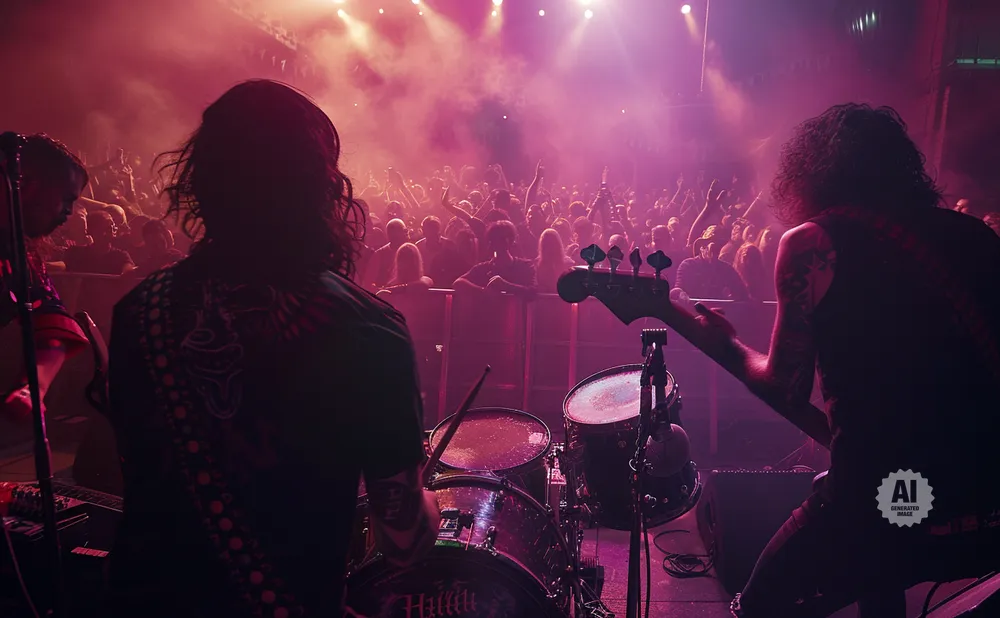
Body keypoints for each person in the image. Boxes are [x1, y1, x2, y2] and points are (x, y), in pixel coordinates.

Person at [104, 80, 440, 617]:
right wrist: (428, 505)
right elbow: (402, 542)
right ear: (321, 189)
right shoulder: (367, 328)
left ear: (202, 181)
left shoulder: (136, 311)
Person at [690, 104, 1000, 618]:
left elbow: (785, 388)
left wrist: (724, 343)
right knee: (881, 578)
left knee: (758, 605)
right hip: (982, 501)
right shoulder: (976, 237)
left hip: (885, 496)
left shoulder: (815, 242)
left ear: (812, 171)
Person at [1, 134, 90, 422]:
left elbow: (54, 328)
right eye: (66, 199)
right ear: (28, 185)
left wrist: (32, 387)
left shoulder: (22, 257)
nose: (69, 212)